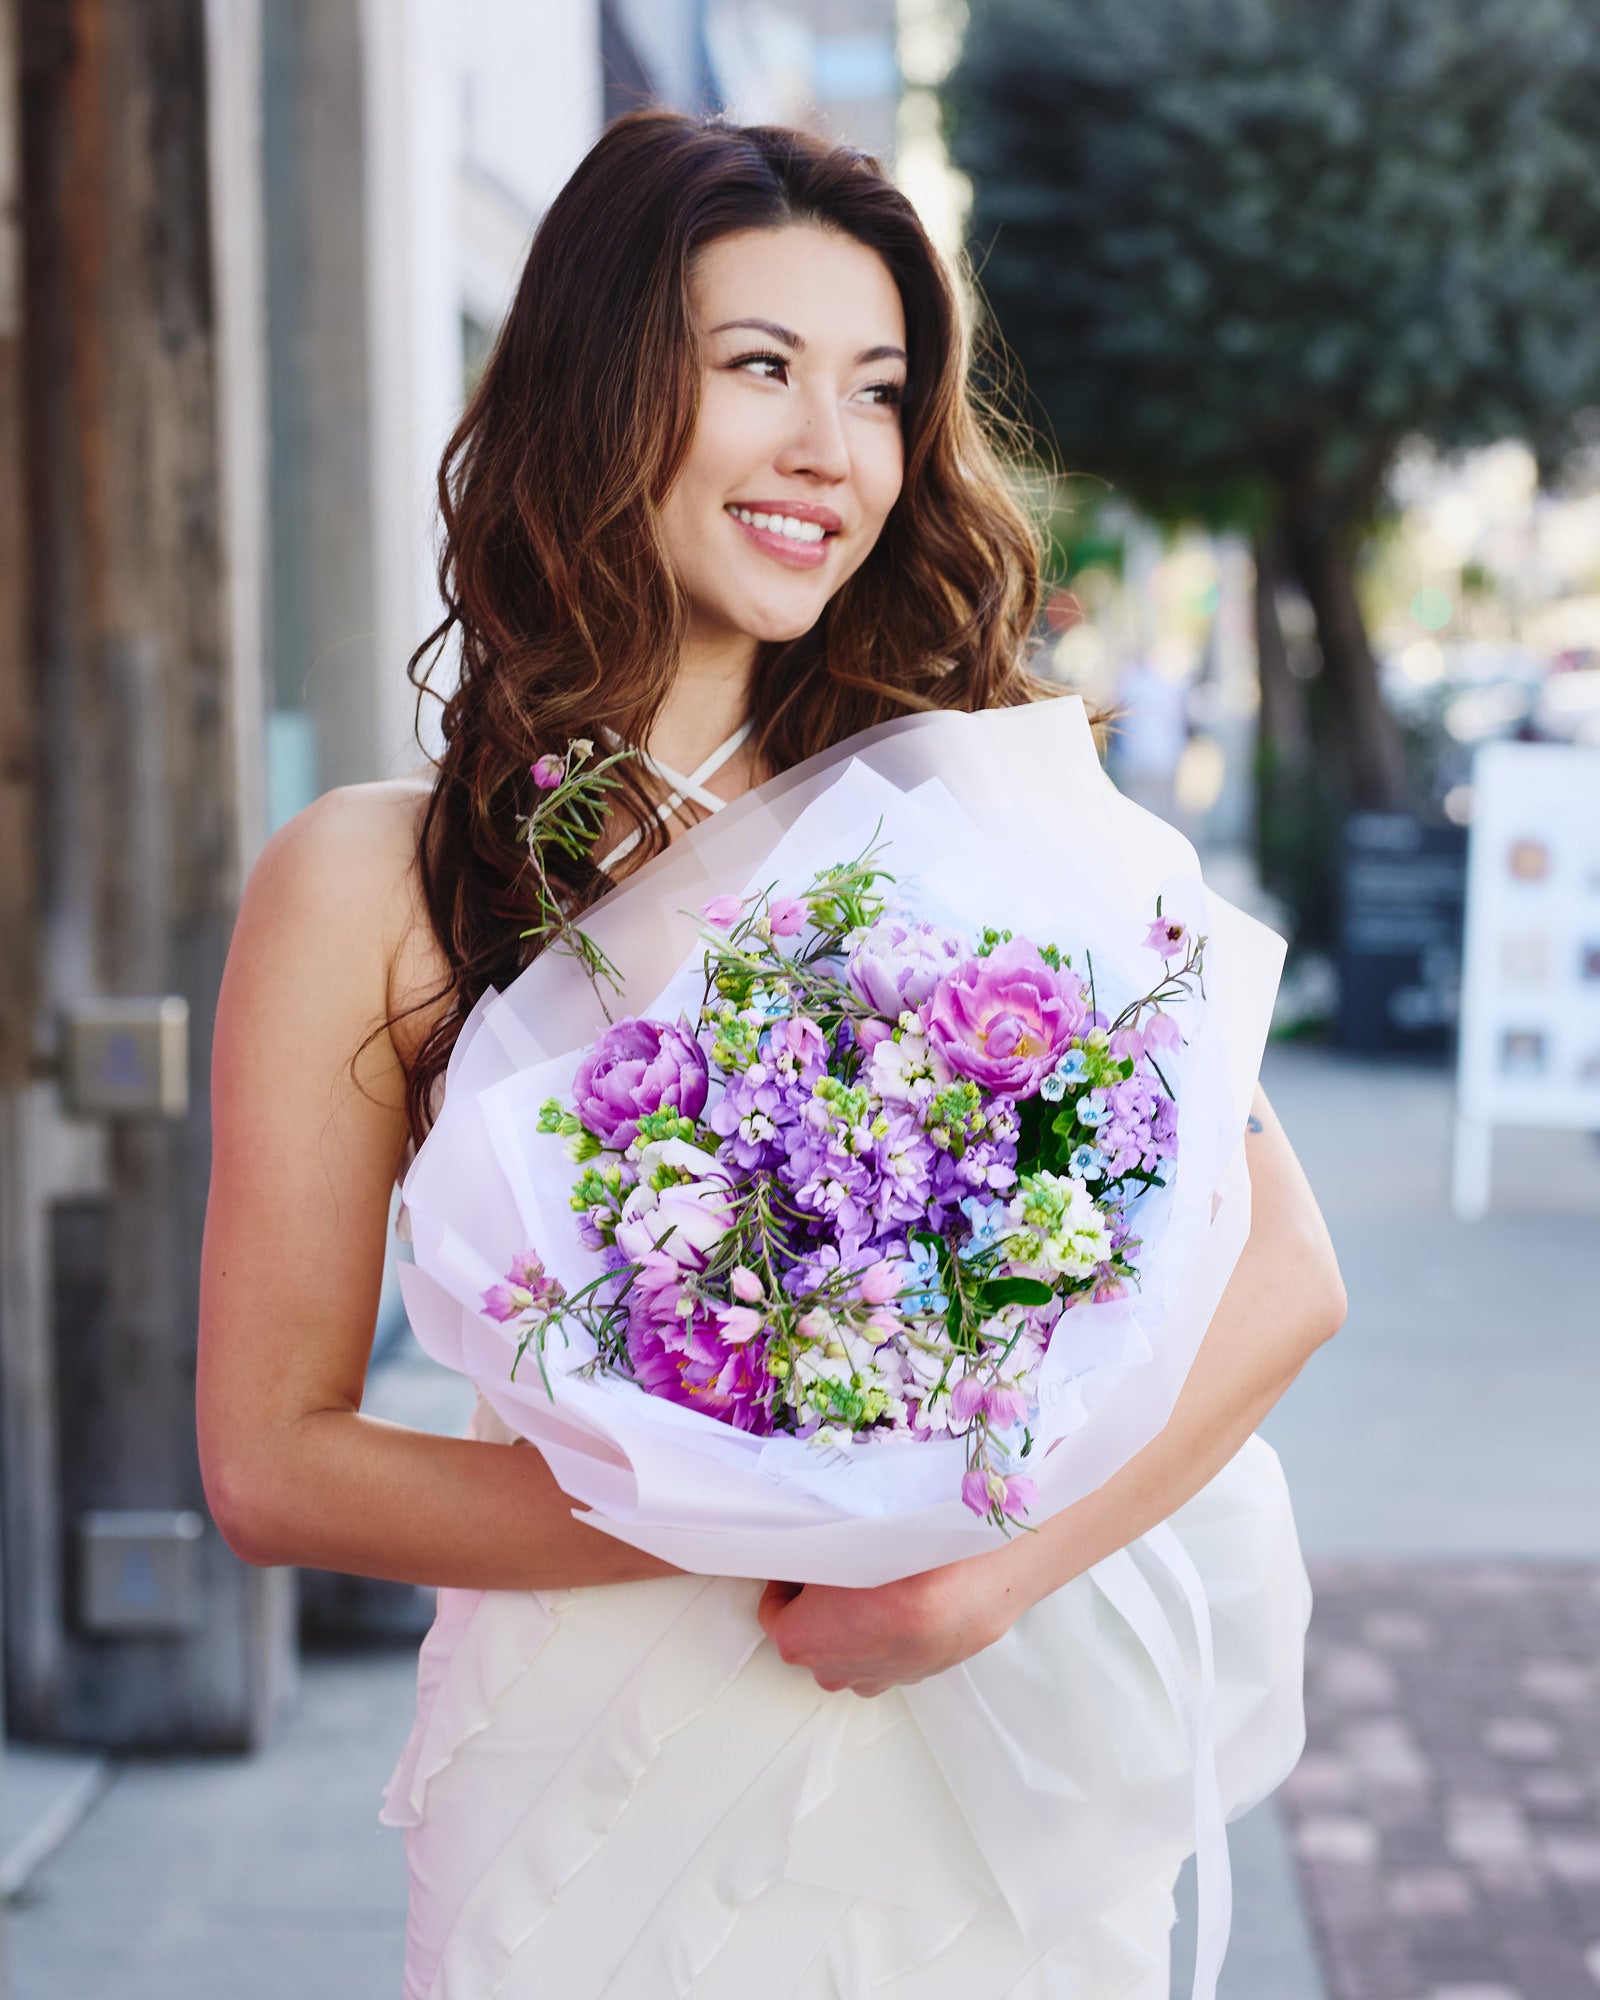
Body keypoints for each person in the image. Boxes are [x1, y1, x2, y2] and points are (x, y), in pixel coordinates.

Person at [197, 111, 1345, 1998]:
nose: (834, 449)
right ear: (601, 386)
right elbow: (270, 1464)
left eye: (881, 391)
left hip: (965, 1744)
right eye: (760, 370)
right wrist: (750, 1502)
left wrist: (965, 1574)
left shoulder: (973, 806)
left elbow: (1282, 1274)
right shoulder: (372, 879)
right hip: (598, 1776)